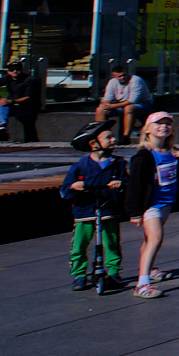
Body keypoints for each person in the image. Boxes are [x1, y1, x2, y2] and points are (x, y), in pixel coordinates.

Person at [126, 110, 179, 297]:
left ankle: (150, 268)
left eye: (167, 123)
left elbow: (173, 175)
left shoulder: (170, 153)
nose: (164, 126)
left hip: (166, 203)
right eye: (158, 123)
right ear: (147, 129)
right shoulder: (144, 156)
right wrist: (135, 212)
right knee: (156, 238)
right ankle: (142, 284)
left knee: (149, 240)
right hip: (151, 205)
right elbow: (136, 185)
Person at [60, 125, 128, 292]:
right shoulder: (81, 166)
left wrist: (120, 184)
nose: (113, 140)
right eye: (108, 137)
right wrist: (74, 187)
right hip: (85, 211)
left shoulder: (117, 163)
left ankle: (113, 272)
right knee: (80, 244)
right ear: (93, 143)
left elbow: (127, 183)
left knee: (111, 242)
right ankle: (79, 275)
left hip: (107, 210)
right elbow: (65, 189)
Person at [96, 62, 144, 144]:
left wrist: (112, 106)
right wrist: (105, 104)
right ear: (114, 76)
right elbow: (108, 97)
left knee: (129, 108)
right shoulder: (112, 82)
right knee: (100, 110)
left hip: (142, 104)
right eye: (119, 76)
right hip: (121, 105)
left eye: (124, 75)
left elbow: (132, 101)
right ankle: (103, 135)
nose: (123, 77)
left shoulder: (136, 80)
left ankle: (126, 137)